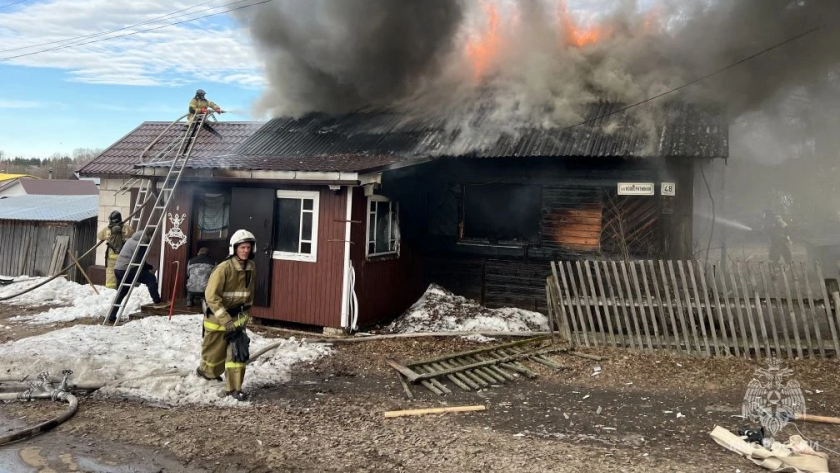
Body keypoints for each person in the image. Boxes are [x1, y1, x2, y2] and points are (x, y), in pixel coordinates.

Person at [196, 229, 256, 401]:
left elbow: (249, 296)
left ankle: (234, 388)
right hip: (217, 320)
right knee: (213, 355)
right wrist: (225, 320)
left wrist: (244, 318)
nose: (245, 251)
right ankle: (207, 372)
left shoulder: (251, 268)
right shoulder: (223, 269)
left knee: (237, 353)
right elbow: (211, 296)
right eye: (242, 247)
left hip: (237, 320)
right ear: (234, 248)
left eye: (248, 247)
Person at [107, 227, 163, 322]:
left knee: (121, 293)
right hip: (128, 269)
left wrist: (147, 266)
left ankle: (112, 316)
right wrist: (149, 267)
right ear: (149, 236)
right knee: (151, 278)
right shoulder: (142, 243)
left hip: (118, 269)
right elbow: (140, 261)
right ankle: (157, 301)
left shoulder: (132, 239)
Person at [97, 210, 134, 289]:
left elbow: (99, 236)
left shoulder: (107, 229)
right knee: (123, 271)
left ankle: (110, 289)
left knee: (110, 272)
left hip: (111, 255)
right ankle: (122, 288)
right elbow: (132, 234)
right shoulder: (126, 228)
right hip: (123, 255)